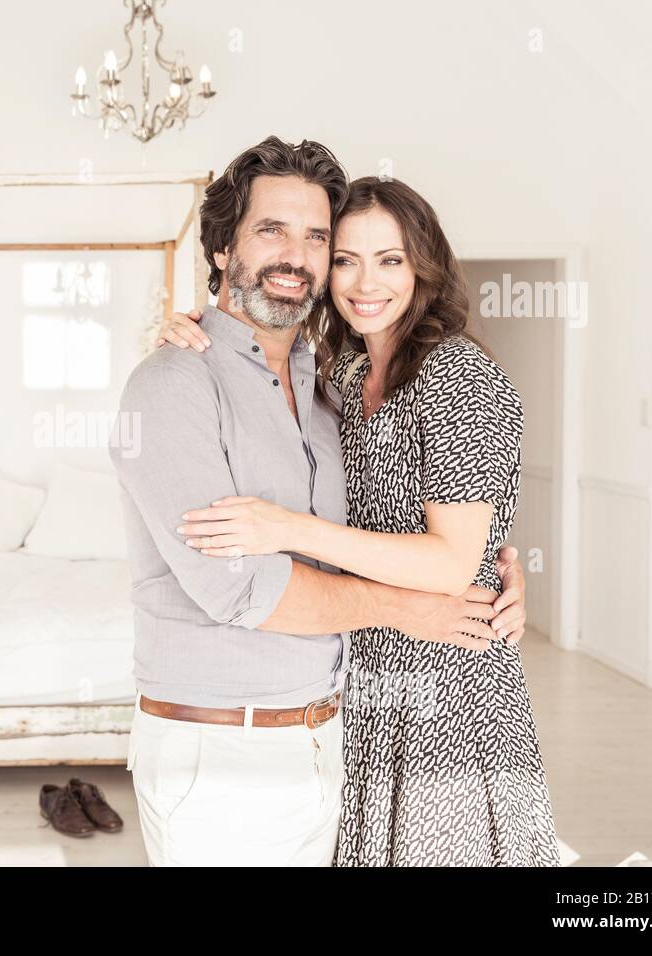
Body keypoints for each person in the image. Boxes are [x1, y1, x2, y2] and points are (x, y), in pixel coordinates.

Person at [109, 136, 529, 866]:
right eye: (271, 229)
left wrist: (492, 577)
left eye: (316, 239)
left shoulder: (328, 384)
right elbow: (239, 588)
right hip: (221, 749)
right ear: (220, 250)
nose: (296, 256)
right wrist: (409, 605)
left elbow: (423, 531)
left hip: (344, 730)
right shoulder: (174, 384)